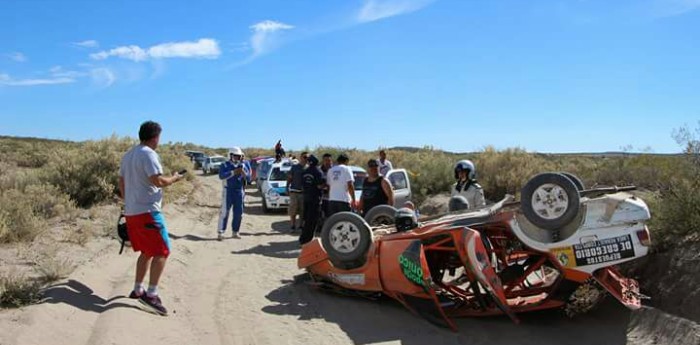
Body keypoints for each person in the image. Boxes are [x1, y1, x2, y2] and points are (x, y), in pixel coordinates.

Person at [119, 121, 184, 316]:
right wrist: (174, 178)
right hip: (148, 212)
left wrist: (129, 200)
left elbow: (121, 182)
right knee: (162, 251)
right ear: (155, 137)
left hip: (132, 212)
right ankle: (151, 294)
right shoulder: (148, 154)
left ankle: (138, 289)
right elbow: (158, 181)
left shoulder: (128, 155)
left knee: (147, 251)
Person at [218, 147, 250, 240]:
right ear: (230, 155)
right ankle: (221, 232)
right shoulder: (224, 165)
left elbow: (248, 178)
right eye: (235, 156)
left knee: (238, 213)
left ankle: (235, 231)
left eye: (238, 156)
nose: (237, 158)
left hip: (239, 191)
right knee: (224, 212)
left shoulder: (243, 165)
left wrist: (243, 172)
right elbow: (221, 176)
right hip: (228, 190)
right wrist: (233, 172)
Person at [300, 154, 324, 245]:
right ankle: (308, 240)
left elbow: (302, 185)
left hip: (306, 198)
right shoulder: (318, 172)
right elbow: (319, 185)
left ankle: (303, 238)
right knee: (313, 220)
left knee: (306, 219)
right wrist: (325, 186)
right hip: (315, 199)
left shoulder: (305, 171)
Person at [287, 152, 308, 231]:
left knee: (303, 210)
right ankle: (292, 225)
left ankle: (301, 226)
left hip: (304, 193)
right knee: (293, 210)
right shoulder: (295, 167)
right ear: (301, 158)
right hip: (294, 192)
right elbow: (289, 178)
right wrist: (286, 187)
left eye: (307, 157)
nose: (306, 159)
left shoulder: (308, 168)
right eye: (304, 157)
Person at [320, 153, 333, 220]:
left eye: (329, 160)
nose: (327, 162)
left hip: (332, 198)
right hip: (322, 197)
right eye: (326, 160)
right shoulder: (319, 170)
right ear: (323, 161)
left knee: (331, 216)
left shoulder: (335, 170)